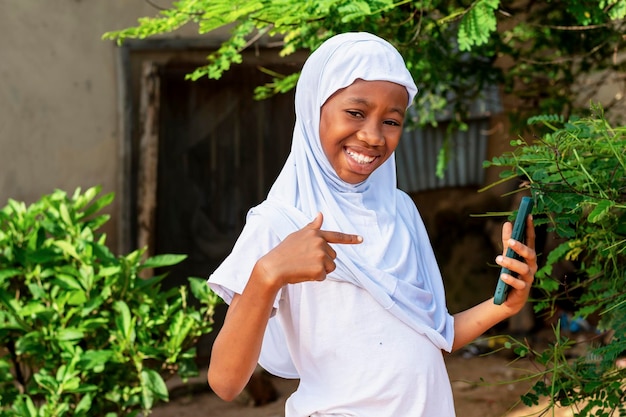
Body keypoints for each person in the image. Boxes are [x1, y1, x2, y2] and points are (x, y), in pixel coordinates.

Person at [207, 32, 537, 417]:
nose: (372, 136)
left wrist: (505, 305)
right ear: (314, 108)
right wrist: (267, 274)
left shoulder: (400, 210)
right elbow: (225, 382)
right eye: (356, 113)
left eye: (392, 120)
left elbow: (433, 334)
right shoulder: (278, 223)